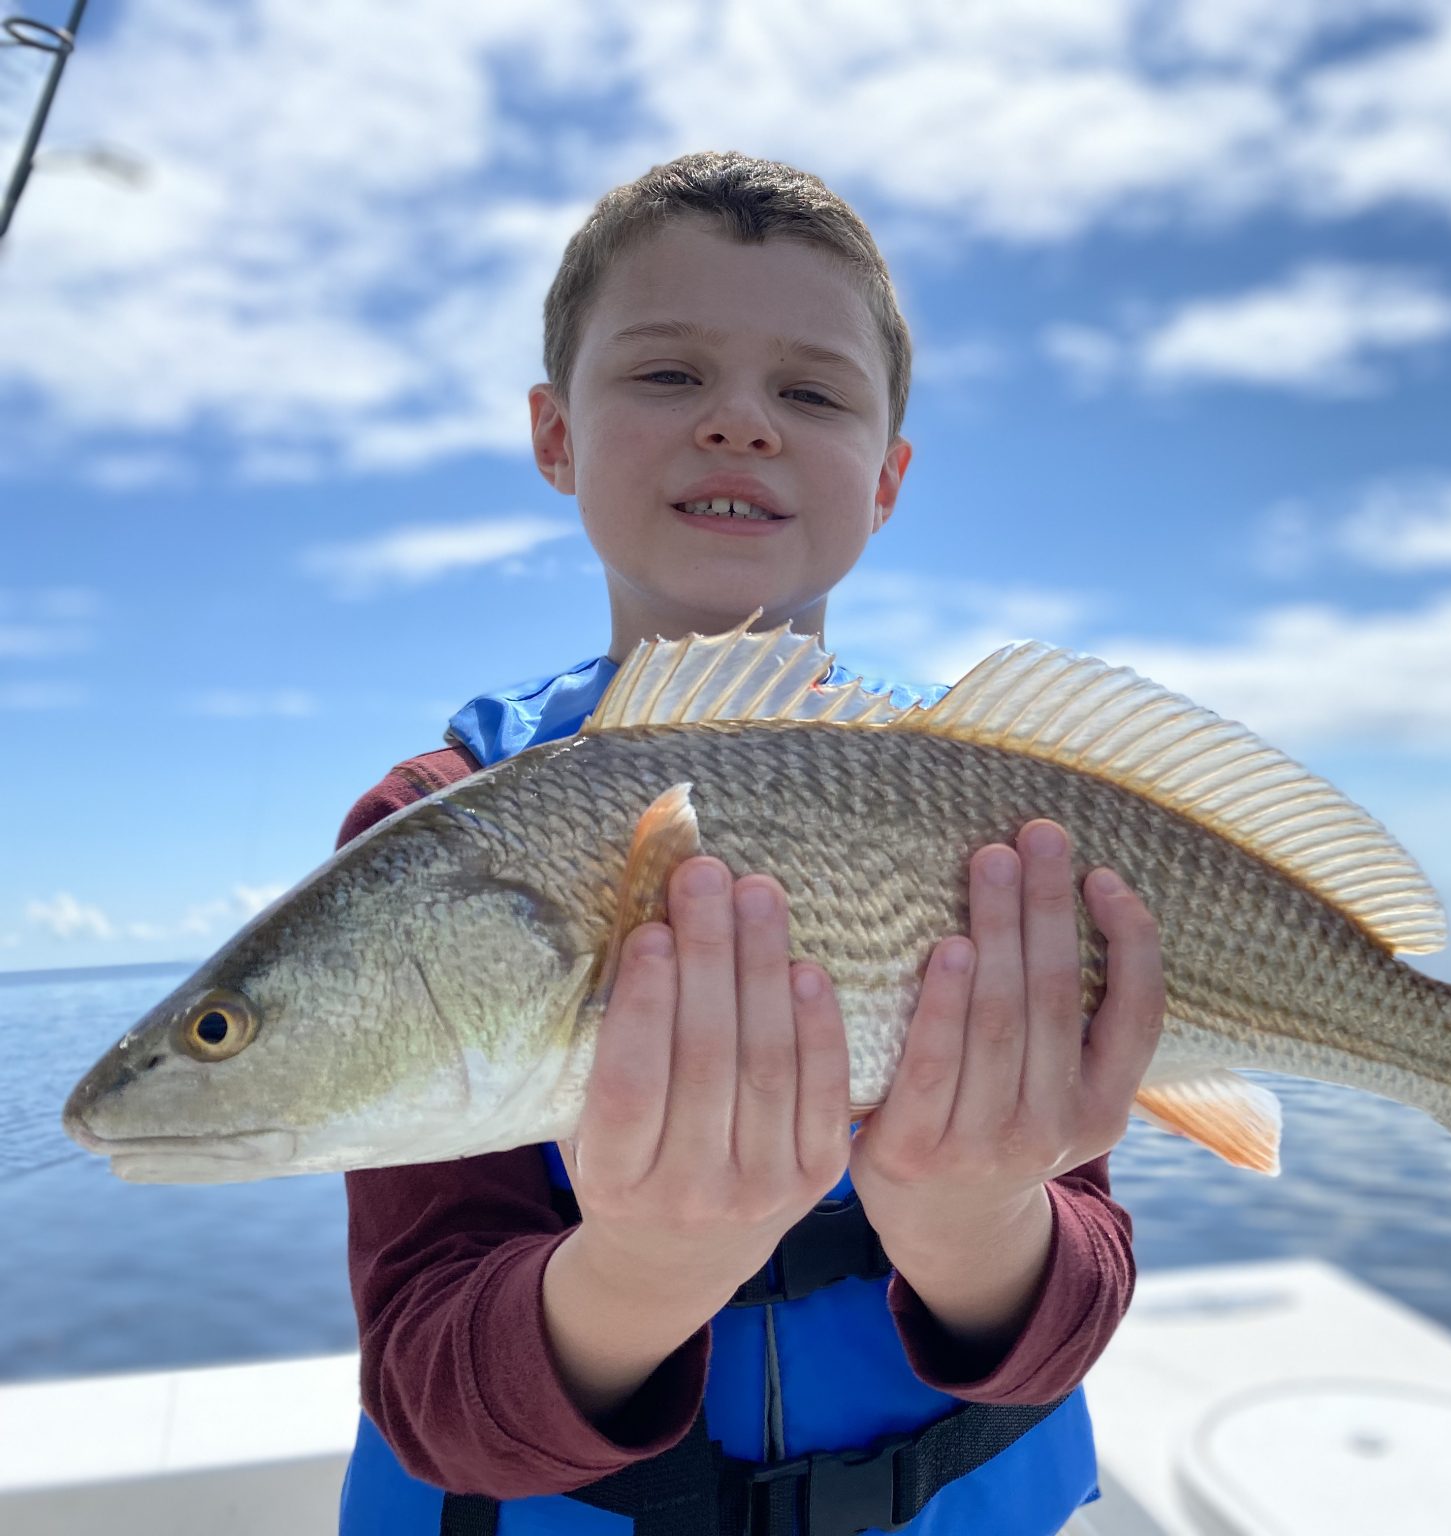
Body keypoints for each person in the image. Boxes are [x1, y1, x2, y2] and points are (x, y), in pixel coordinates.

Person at [331, 150, 1168, 1535]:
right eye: (667, 375)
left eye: (812, 392)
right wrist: (645, 1272)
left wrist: (976, 1233)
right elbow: (428, 1383)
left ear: (889, 478)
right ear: (555, 435)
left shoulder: (1006, 809)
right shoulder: (437, 829)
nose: (741, 423)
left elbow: (1073, 1307)